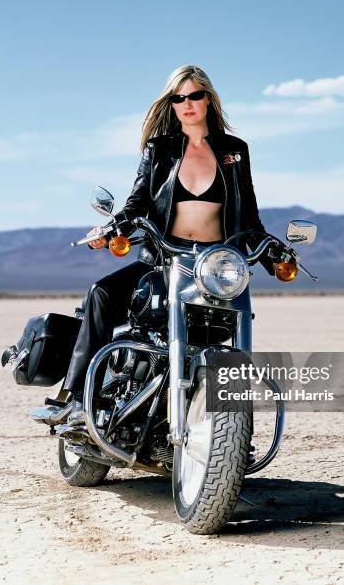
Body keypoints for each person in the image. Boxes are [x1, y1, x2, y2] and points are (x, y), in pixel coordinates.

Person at [55, 65, 278, 425]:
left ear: (208, 99)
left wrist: (272, 251)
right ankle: (78, 400)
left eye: (194, 95)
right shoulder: (160, 149)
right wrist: (111, 229)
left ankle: (235, 426)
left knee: (236, 323)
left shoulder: (235, 150)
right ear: (171, 104)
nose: (187, 103)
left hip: (213, 266)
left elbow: (249, 213)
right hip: (163, 259)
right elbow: (137, 202)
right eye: (179, 98)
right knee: (101, 293)